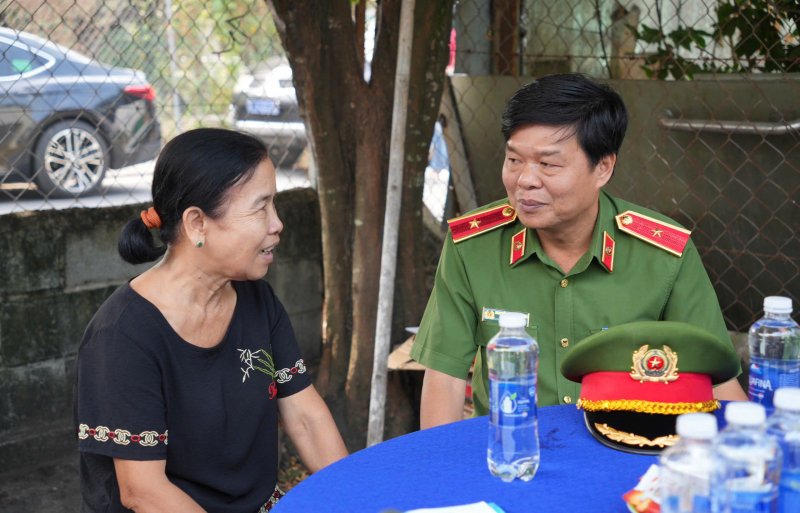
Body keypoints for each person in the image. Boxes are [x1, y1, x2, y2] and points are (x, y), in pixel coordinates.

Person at [410, 73, 747, 430]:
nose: (525, 179)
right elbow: (444, 381)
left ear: (603, 167)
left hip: (628, 453)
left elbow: (717, 382)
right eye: (514, 160)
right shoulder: (472, 247)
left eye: (548, 164)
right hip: (512, 453)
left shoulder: (663, 254)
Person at [73, 128, 348, 513]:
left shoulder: (257, 300)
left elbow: (304, 417)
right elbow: (144, 492)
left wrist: (359, 498)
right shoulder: (122, 336)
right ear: (197, 223)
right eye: (261, 207)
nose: (277, 224)